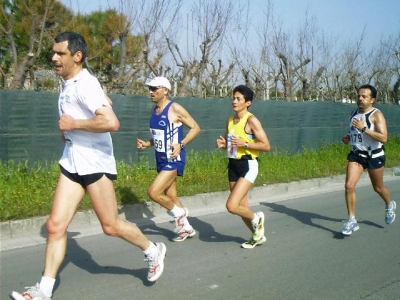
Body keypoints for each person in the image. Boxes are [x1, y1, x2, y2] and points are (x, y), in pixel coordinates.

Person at [10, 32, 166, 300]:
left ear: (77, 56)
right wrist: (72, 129)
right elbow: (96, 105)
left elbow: (111, 122)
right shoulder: (71, 82)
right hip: (72, 160)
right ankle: (43, 290)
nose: (54, 57)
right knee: (55, 226)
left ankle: (153, 251)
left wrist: (74, 124)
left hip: (94, 162)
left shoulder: (85, 84)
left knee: (111, 226)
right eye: (54, 52)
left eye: (60, 53)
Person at [136, 77, 201, 242]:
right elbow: (159, 136)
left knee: (153, 192)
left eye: (155, 88)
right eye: (150, 89)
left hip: (174, 158)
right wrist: (147, 143)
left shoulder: (175, 108)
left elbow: (195, 128)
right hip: (160, 159)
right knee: (171, 196)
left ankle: (180, 214)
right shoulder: (154, 110)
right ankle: (186, 228)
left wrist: (181, 143)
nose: (151, 92)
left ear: (165, 90)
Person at [216, 85, 271, 249]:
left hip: (248, 165)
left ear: (248, 103)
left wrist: (244, 144)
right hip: (233, 164)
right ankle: (257, 235)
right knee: (242, 206)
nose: (234, 101)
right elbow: (232, 143)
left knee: (232, 206)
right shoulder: (230, 120)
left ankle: (257, 219)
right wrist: (224, 144)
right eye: (233, 97)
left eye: (238, 98)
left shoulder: (251, 120)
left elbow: (266, 146)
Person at [341, 84, 396, 236]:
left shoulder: (376, 115)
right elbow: (354, 132)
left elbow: (383, 138)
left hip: (374, 155)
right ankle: (352, 220)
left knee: (378, 188)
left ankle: (389, 204)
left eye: (364, 96)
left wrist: (364, 129)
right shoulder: (353, 113)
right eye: (359, 95)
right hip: (357, 154)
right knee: (349, 185)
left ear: (372, 99)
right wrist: (348, 137)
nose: (360, 98)